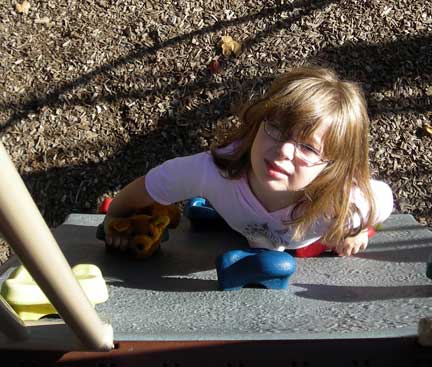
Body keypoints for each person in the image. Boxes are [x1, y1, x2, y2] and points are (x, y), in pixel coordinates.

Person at [104, 66, 393, 257]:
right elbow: (150, 186)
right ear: (257, 124)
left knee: (313, 248)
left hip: (303, 245)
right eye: (275, 130)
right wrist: (114, 220)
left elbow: (382, 200)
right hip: (239, 227)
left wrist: (358, 231)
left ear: (334, 164)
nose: (283, 151)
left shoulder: (347, 203)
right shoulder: (212, 172)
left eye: (307, 147)